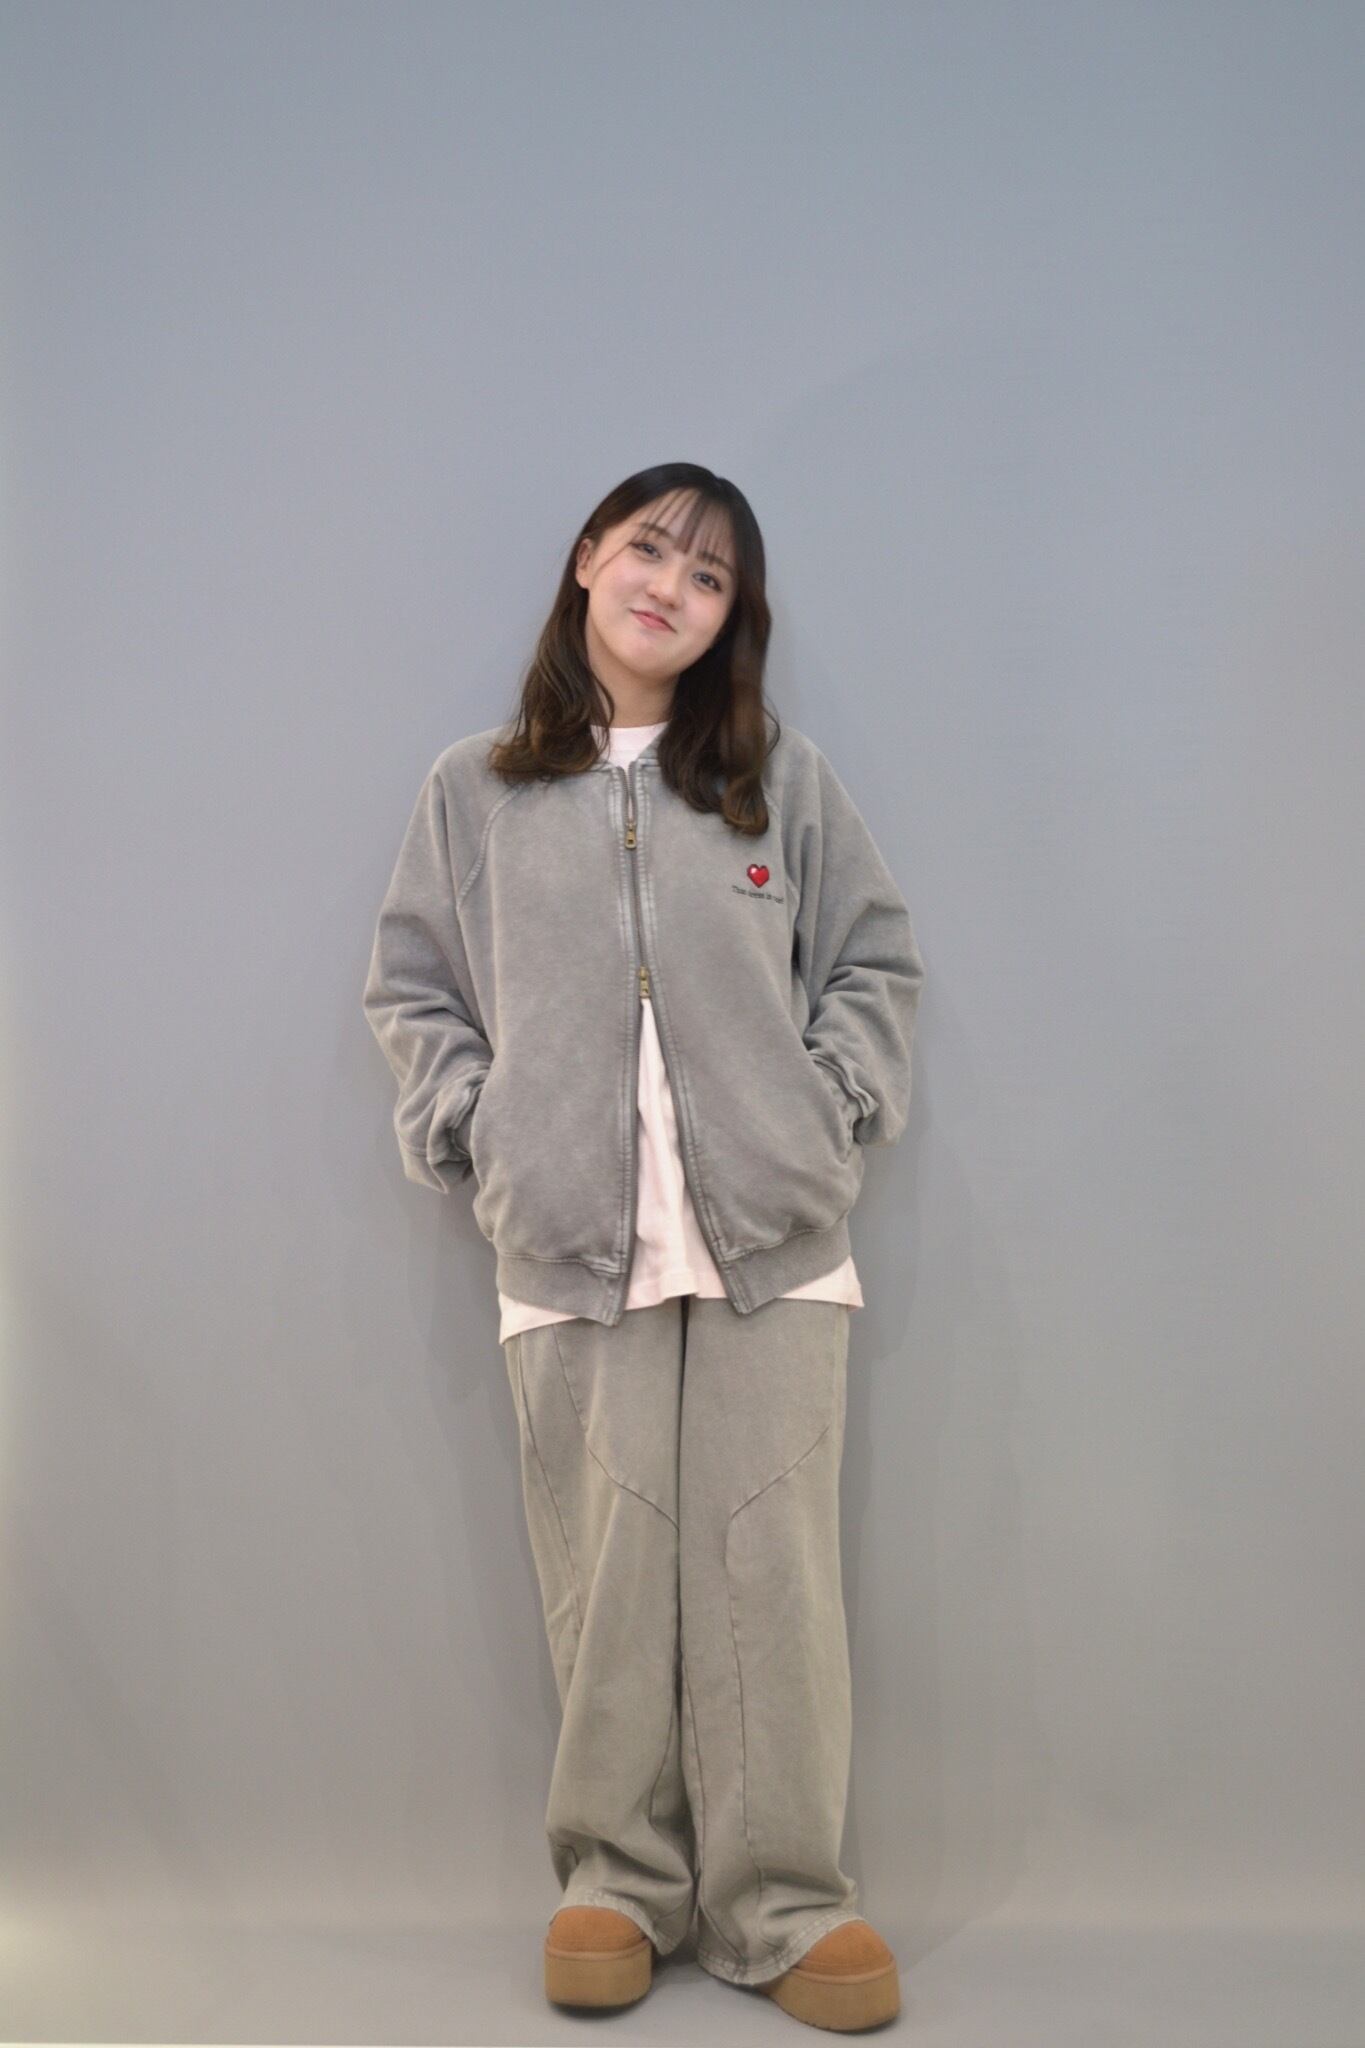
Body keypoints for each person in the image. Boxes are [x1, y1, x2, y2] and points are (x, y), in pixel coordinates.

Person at [363, 462, 925, 2031]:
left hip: (772, 1243)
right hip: (567, 1246)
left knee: (770, 1577)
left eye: (709, 575)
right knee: (607, 1579)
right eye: (650, 549)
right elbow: (412, 990)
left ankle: (785, 1905)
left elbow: (871, 962)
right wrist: (480, 1137)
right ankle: (615, 1883)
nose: (670, 586)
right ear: (587, 561)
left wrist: (828, 1110)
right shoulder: (474, 790)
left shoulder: (773, 779)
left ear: (731, 618)